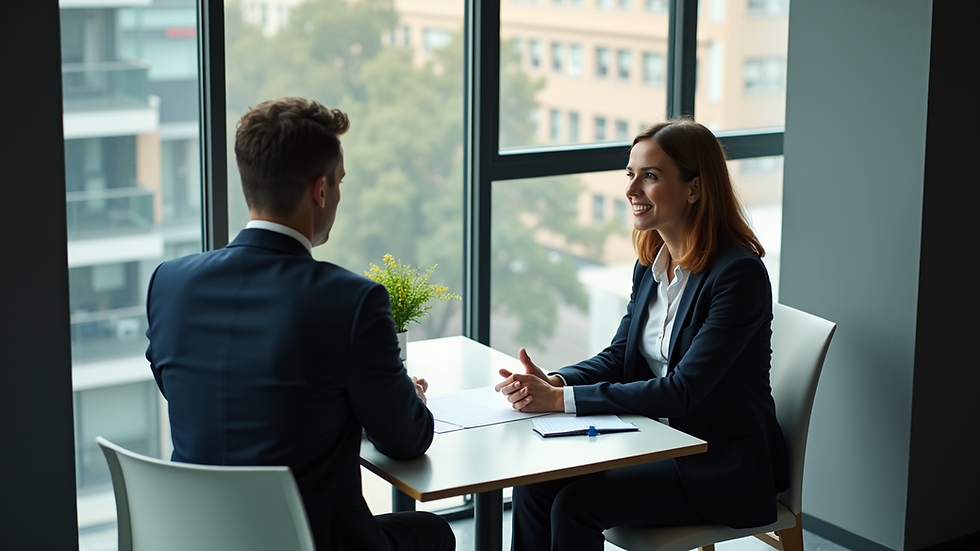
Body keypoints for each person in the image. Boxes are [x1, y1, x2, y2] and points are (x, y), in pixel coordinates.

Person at [145, 96, 455, 551]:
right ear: (321, 190)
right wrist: (402, 397)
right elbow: (407, 440)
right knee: (433, 533)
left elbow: (195, 392)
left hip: (199, 539)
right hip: (314, 541)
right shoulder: (352, 301)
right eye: (340, 181)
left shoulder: (169, 283)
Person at [495, 117, 789, 551]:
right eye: (630, 174)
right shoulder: (652, 264)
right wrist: (557, 381)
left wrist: (560, 402)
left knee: (574, 505)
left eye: (649, 176)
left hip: (719, 463)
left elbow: (682, 391)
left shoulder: (738, 275)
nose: (631, 189)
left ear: (694, 188)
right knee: (535, 486)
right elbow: (620, 357)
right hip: (652, 441)